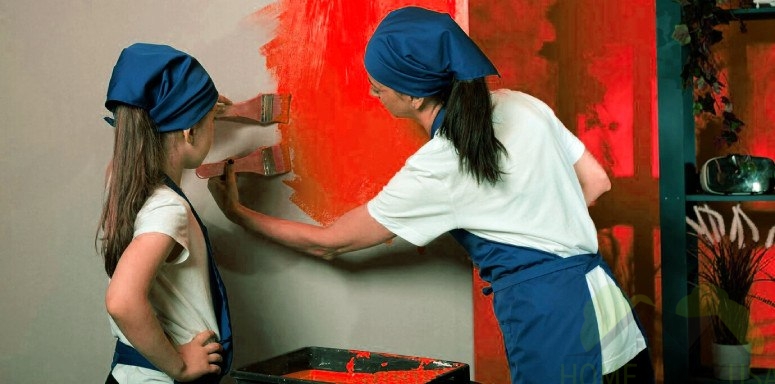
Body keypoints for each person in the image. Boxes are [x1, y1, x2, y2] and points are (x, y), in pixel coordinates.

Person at [208, 6, 653, 384]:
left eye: (379, 87)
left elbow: (332, 242)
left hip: (552, 322)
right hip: (608, 306)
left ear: (414, 98)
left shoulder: (439, 167)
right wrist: (535, 214)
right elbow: (597, 183)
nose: (371, 92)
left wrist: (239, 213)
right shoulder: (523, 105)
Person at [97, 43, 232, 384]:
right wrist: (181, 367)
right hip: (164, 378)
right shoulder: (168, 209)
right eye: (210, 121)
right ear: (190, 132)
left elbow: (137, 134)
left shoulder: (120, 179)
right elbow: (122, 300)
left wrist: (201, 109)